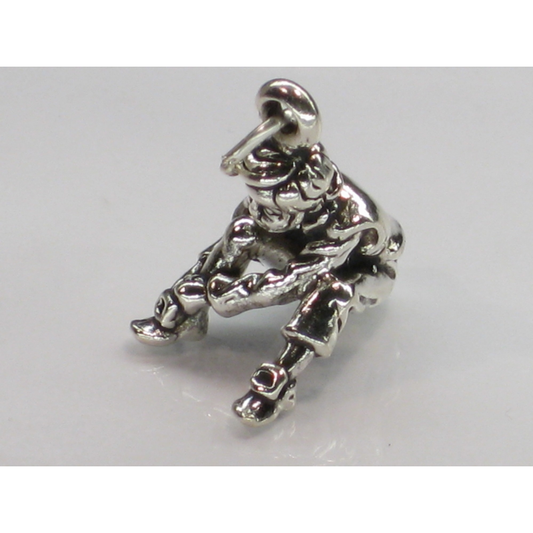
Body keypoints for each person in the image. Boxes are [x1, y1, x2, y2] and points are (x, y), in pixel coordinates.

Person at [131, 79, 404, 426]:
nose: (264, 212)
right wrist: (208, 284)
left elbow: (295, 280)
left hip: (363, 266)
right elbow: (237, 235)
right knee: (243, 231)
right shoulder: (266, 195)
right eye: (258, 201)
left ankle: (279, 380)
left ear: (308, 199)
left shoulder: (351, 219)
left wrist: (228, 298)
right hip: (301, 246)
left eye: (276, 207)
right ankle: (183, 314)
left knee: (333, 289)